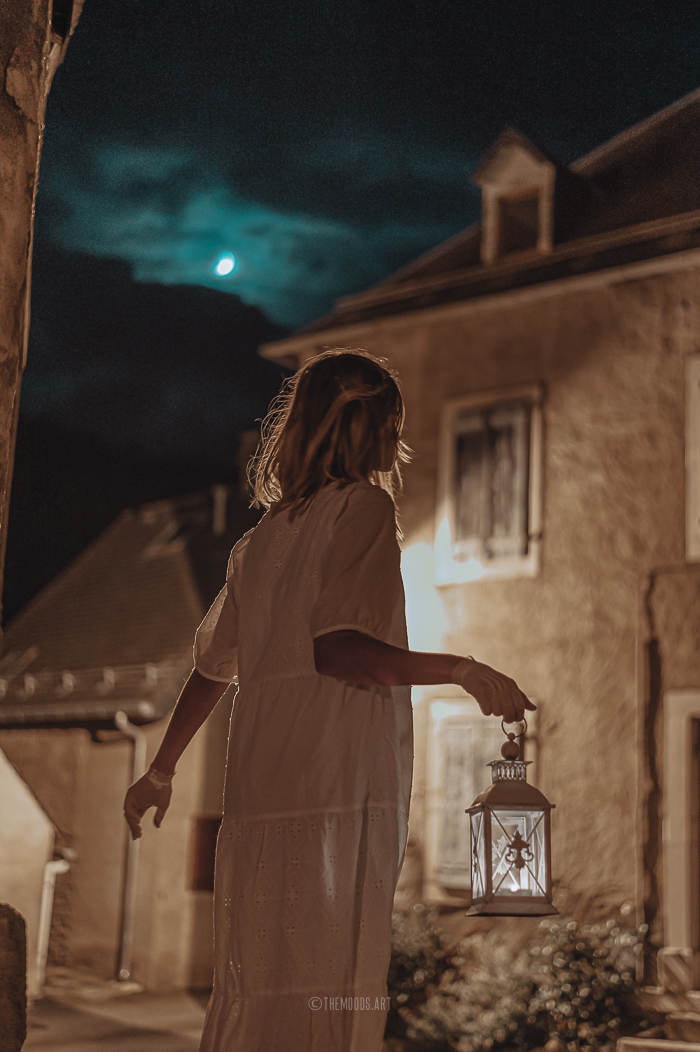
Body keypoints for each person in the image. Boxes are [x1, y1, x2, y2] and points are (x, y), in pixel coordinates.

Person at [123, 349, 535, 1052]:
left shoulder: (261, 540)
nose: (396, 440)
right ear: (365, 425)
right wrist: (463, 669)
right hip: (333, 781)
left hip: (263, 790)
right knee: (331, 976)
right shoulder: (363, 508)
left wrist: (161, 770)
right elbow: (339, 651)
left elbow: (213, 668)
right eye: (392, 422)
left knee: (265, 978)